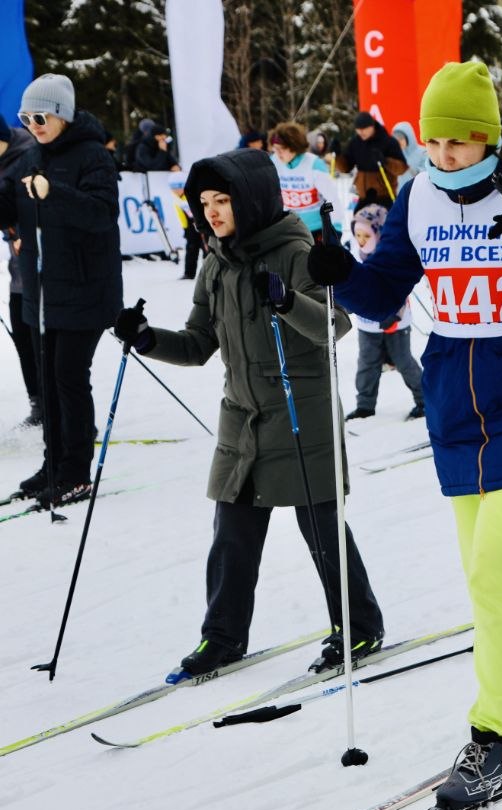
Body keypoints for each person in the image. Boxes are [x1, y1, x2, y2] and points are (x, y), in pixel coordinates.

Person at [306, 60, 502, 809]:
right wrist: (340, 272)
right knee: (487, 571)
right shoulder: (417, 196)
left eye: (458, 143)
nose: (443, 156)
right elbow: (383, 291)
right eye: (433, 142)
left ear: (488, 137)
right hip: (457, 405)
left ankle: (494, 734)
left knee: (493, 561)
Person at [110, 148, 385, 676]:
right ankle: (222, 636)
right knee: (231, 535)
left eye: (222, 200)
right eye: (204, 202)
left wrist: (286, 301)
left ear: (251, 199)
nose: (211, 212)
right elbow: (196, 343)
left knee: (323, 532)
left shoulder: (295, 250)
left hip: (299, 410)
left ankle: (360, 627)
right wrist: (146, 339)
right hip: (243, 418)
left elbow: (334, 326)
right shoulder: (215, 264)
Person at [0, 74, 122, 506]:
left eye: (40, 116)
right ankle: (54, 464)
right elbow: (11, 206)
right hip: (42, 291)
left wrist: (55, 194)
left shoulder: (92, 156)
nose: (33, 124)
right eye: (25, 117)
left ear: (62, 114)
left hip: (85, 289)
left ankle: (75, 471)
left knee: (69, 379)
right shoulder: (33, 154)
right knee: (50, 383)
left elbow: (103, 214)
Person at [343, 204, 423, 420]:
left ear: (379, 232)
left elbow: (396, 286)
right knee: (367, 364)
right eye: (357, 234)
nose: (361, 239)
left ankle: (424, 399)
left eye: (366, 235)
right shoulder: (355, 253)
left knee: (404, 361)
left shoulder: (390, 255)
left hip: (396, 322)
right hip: (367, 324)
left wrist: (393, 315)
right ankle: (365, 405)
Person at [0, 122, 40, 427]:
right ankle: (38, 403)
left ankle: (58, 407)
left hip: (43, 267)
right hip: (18, 272)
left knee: (44, 343)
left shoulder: (28, 155)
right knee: (22, 339)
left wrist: (19, 230)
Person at [268, 121, 343, 243]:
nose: (278, 154)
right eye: (275, 149)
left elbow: (332, 198)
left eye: (282, 149)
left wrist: (336, 228)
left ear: (294, 146)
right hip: (289, 228)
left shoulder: (313, 164)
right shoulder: (273, 162)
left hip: (317, 229)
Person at [334, 111, 407, 209]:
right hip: (363, 196)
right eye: (358, 129)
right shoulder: (355, 143)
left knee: (385, 223)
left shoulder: (388, 142)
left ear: (372, 126)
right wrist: (337, 155)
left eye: (364, 129)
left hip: (385, 196)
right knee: (357, 223)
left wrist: (385, 161)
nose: (361, 132)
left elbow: (402, 168)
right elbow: (346, 168)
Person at [391, 121, 429, 186]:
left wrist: (409, 168)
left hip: (418, 192)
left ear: (408, 137)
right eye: (395, 140)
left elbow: (427, 176)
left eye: (401, 139)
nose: (398, 142)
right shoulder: (394, 156)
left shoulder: (423, 152)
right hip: (401, 194)